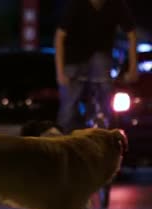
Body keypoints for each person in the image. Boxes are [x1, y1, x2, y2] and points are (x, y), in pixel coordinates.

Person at [54, 0, 139, 133]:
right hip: (74, 59)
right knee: (68, 108)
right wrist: (60, 72)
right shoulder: (76, 4)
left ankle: (104, 131)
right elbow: (60, 36)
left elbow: (132, 34)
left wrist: (133, 68)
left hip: (101, 57)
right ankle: (61, 144)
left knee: (107, 97)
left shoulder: (116, 4)